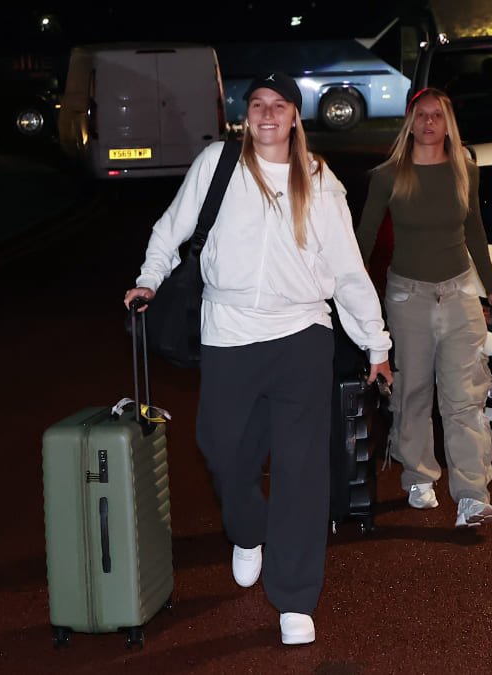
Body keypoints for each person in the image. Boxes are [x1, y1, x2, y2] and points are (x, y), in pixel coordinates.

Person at [123, 72, 392, 646]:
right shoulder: (219, 164)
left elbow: (346, 269)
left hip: (302, 335)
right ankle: (248, 531)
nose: (268, 114)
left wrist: (376, 342)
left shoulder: (320, 180)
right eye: (258, 105)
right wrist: (149, 279)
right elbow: (172, 229)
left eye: (280, 105)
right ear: (248, 115)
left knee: (301, 471)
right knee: (221, 452)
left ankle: (295, 597)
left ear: (296, 116)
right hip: (228, 333)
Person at [354, 87, 492, 528]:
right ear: (409, 122)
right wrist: (354, 296)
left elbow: (474, 227)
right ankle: (419, 475)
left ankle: (473, 495)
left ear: (448, 123)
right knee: (413, 392)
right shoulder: (388, 175)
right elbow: (362, 241)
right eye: (420, 115)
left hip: (460, 294)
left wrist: (491, 287)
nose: (428, 122)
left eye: (437, 115)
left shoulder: (466, 171)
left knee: (464, 400)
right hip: (407, 298)